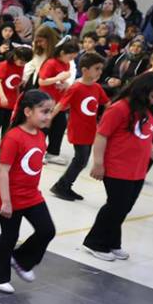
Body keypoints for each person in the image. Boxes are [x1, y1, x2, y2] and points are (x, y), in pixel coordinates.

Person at [82, 73, 153, 261]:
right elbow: (102, 135)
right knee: (116, 206)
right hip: (117, 168)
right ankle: (95, 242)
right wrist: (98, 163)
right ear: (142, 91)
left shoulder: (147, 111)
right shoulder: (119, 108)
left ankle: (113, 242)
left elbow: (146, 138)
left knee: (124, 207)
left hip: (137, 170)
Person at [0, 90, 57, 293]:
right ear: (27, 111)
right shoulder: (14, 137)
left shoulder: (41, 136)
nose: (48, 116)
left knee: (47, 230)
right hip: (10, 196)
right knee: (9, 236)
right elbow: (3, 171)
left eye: (50, 111)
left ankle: (21, 260)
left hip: (31, 195)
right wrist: (6, 201)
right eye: (44, 111)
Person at [51, 53, 108, 201]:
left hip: (91, 130)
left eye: (101, 69)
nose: (100, 72)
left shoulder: (97, 87)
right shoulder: (76, 87)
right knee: (80, 159)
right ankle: (61, 186)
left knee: (82, 161)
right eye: (97, 68)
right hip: (78, 130)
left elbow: (107, 104)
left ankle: (65, 185)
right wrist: (48, 118)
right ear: (84, 70)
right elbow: (61, 104)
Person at [38, 40, 78, 164]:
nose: (71, 60)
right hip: (46, 99)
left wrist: (64, 84)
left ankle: (53, 152)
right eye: (70, 56)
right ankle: (38, 151)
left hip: (58, 100)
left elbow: (58, 82)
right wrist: (58, 78)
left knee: (59, 125)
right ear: (62, 53)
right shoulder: (51, 63)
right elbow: (42, 82)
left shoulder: (66, 64)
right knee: (44, 126)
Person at [0, 47, 30, 152]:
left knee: (7, 122)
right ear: (15, 56)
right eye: (21, 60)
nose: (22, 63)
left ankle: (4, 142)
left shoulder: (21, 67)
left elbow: (15, 81)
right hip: (0, 97)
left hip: (11, 98)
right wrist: (2, 97)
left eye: (25, 62)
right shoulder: (5, 65)